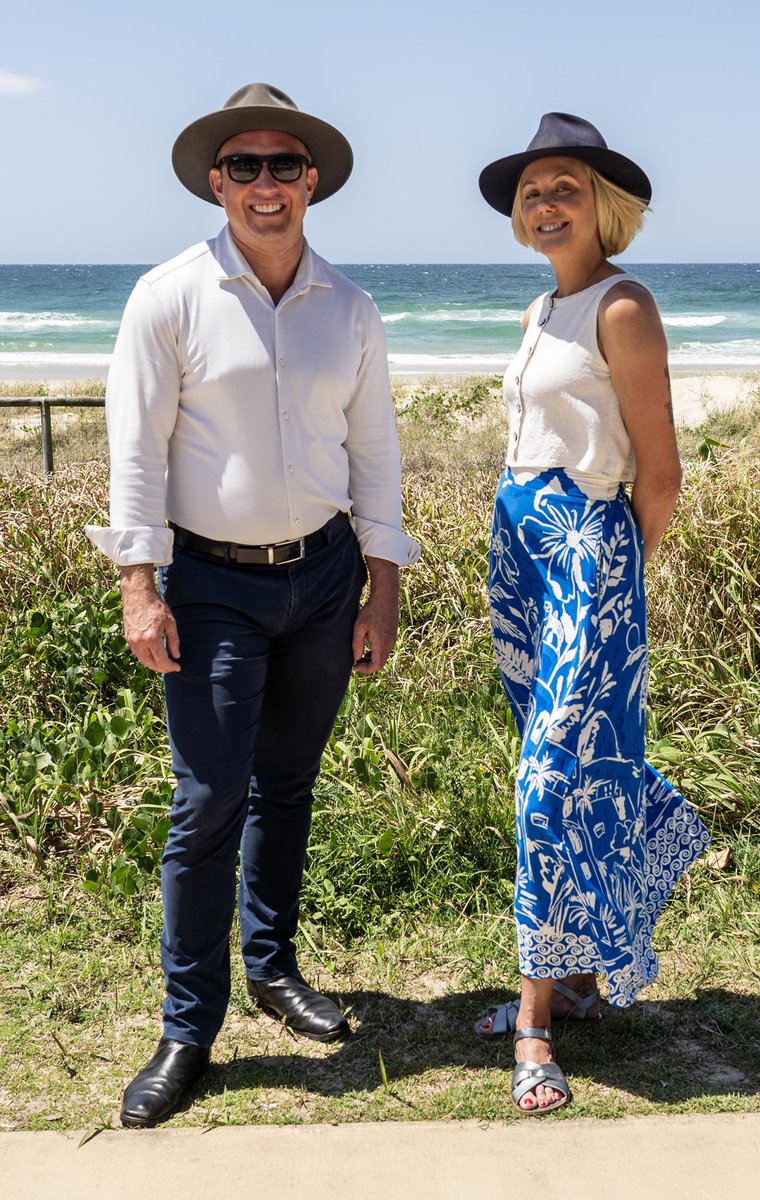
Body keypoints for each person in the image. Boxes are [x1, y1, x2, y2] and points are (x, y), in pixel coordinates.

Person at [86, 82, 420, 1127]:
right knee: (206, 802)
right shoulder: (167, 297)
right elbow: (134, 453)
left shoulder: (351, 308)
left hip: (323, 580)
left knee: (289, 786)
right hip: (212, 585)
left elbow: (374, 455)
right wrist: (140, 585)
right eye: (244, 167)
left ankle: (273, 969)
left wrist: (383, 584)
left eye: (283, 166)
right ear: (216, 183)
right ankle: (190, 1028)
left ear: (311, 181)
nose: (264, 185)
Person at [474, 113, 710, 1115]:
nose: (545, 202)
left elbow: (658, 472)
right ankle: (576, 975)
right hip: (521, 550)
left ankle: (535, 1019)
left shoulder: (623, 306)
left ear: (603, 205)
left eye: (564, 184)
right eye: (533, 190)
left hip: (587, 556)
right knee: (571, 766)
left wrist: (614, 581)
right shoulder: (539, 312)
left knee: (546, 785)